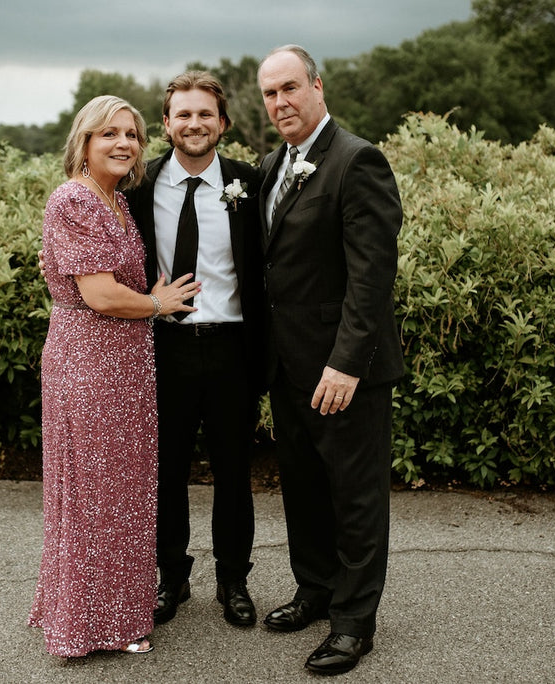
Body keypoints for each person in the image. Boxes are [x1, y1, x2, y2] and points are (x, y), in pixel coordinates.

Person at [27, 95, 201, 658]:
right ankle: (89, 623)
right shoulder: (75, 200)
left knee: (123, 492)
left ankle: (118, 612)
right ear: (83, 141)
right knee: (95, 492)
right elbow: (98, 294)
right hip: (88, 362)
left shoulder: (118, 202)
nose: (124, 143)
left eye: (132, 134)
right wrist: (159, 304)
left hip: (124, 363)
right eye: (109, 134)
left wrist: (148, 301)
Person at [255, 45, 404, 676]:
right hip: (287, 368)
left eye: (290, 88)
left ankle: (353, 623)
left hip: (344, 371)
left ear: (317, 86)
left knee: (356, 496)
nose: (281, 103)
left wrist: (346, 364)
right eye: (269, 94)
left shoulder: (356, 160)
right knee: (306, 490)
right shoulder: (270, 165)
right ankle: (314, 591)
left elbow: (371, 279)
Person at [125, 71, 265, 628]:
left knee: (235, 472)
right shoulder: (138, 188)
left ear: (223, 123)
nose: (194, 124)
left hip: (232, 347)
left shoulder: (249, 183)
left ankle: (233, 580)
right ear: (166, 124)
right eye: (183, 114)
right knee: (166, 471)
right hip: (165, 347)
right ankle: (171, 580)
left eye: (205, 114)